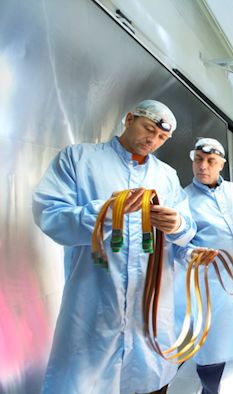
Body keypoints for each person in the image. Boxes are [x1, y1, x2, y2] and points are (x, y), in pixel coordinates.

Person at [32, 100, 197, 394]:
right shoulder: (79, 160)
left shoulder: (167, 176)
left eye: (161, 138)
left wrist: (178, 226)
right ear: (129, 118)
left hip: (149, 318)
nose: (152, 140)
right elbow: (50, 215)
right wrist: (107, 213)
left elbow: (186, 232)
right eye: (149, 129)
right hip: (94, 307)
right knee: (90, 383)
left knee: (150, 384)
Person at [177, 137, 233, 394]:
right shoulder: (183, 199)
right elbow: (178, 245)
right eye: (198, 160)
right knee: (211, 346)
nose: (203, 166)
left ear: (221, 165)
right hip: (211, 286)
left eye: (210, 161)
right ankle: (210, 390)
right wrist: (192, 254)